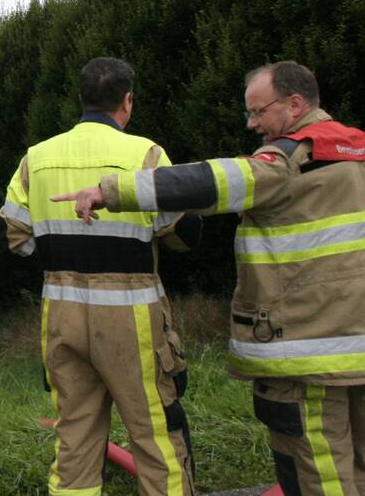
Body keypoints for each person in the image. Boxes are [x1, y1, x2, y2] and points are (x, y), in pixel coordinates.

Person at [54, 60, 365, 496]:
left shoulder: (288, 160)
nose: (252, 123)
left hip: (312, 354)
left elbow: (210, 182)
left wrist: (111, 191)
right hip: (357, 351)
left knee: (321, 472)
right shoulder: (357, 150)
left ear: (295, 104)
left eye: (259, 112)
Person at [0, 57, 200, 496]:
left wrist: (62, 256)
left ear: (80, 98)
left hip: (63, 316)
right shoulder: (146, 153)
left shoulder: (37, 158)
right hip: (134, 322)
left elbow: (17, 235)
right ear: (127, 101)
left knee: (75, 440)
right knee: (156, 437)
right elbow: (181, 232)